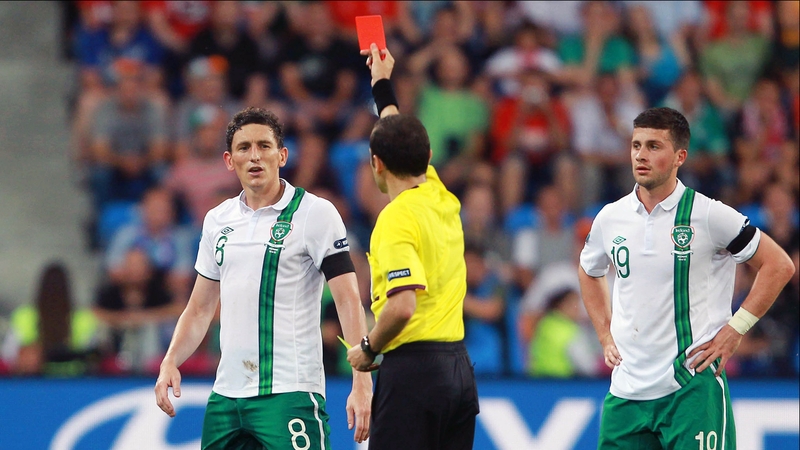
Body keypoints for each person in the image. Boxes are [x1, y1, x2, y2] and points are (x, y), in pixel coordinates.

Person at [154, 107, 373, 447]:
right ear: (229, 161)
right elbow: (199, 309)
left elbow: (348, 299)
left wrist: (362, 381)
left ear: (282, 155)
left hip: (289, 394)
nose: (254, 156)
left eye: (264, 146)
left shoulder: (315, 213)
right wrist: (170, 360)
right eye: (244, 148)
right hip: (226, 398)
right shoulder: (217, 220)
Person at [578, 106, 795, 449]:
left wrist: (734, 331)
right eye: (636, 145)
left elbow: (779, 265)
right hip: (626, 393)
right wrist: (605, 335)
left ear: (680, 156)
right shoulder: (610, 217)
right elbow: (589, 271)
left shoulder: (708, 215)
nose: (641, 155)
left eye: (654, 146)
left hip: (690, 388)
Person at [346, 44, 479, 450]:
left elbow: (402, 305)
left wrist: (368, 348)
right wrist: (381, 83)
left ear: (376, 164)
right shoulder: (439, 193)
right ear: (428, 157)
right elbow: (396, 131)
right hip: (459, 371)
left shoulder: (395, 218)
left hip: (414, 375)